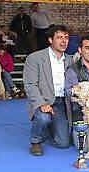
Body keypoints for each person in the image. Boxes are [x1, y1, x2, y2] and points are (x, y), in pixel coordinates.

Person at [23, 25, 73, 156]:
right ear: (50, 40)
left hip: (63, 103)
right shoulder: (34, 58)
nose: (64, 41)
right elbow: (30, 84)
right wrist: (41, 104)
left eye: (66, 38)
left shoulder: (71, 60)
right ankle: (35, 141)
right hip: (45, 101)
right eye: (59, 37)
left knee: (63, 144)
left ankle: (51, 127)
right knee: (44, 118)